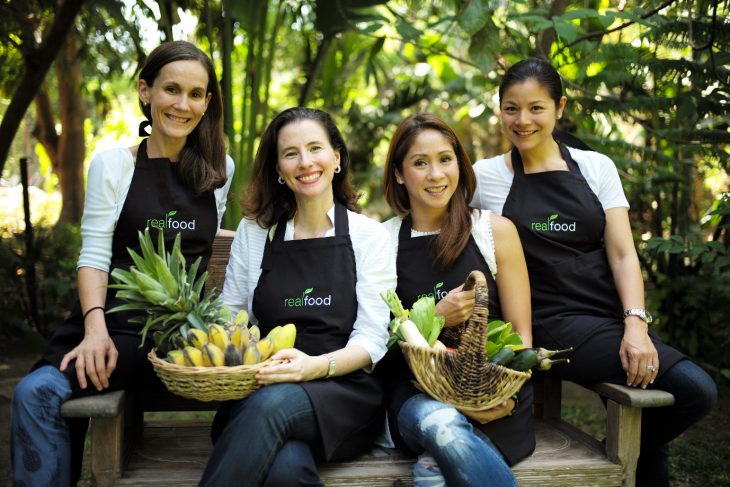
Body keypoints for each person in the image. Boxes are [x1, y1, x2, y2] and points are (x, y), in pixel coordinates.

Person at [471, 58, 717, 486]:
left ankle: (626, 450)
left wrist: (636, 323)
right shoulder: (485, 176)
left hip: (608, 313)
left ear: (559, 107)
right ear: (500, 110)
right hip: (548, 321)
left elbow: (622, 254)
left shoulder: (595, 166)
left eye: (536, 108)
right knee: (698, 390)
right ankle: (622, 448)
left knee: (659, 405)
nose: (522, 120)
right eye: (511, 108)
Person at [11, 40, 235, 486]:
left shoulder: (218, 169)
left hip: (173, 336)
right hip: (107, 323)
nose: (182, 104)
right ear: (145, 92)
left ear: (207, 103)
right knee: (34, 393)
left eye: (195, 94)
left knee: (38, 392)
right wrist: (95, 331)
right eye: (171, 89)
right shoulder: (113, 165)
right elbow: (93, 253)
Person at [199, 107, 396, 486]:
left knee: (271, 407)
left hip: (344, 390)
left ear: (336, 158)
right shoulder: (256, 233)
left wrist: (314, 366)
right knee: (286, 467)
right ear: (278, 167)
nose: (305, 162)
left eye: (315, 148)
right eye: (291, 153)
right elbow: (231, 314)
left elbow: (372, 340)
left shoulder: (369, 236)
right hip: (265, 381)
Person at [377, 113, 535, 487]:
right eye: (420, 163)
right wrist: (437, 319)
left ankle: (433, 469)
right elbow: (377, 342)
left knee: (434, 476)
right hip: (419, 398)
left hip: (497, 396)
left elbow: (522, 334)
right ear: (399, 174)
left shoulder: (493, 232)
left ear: (459, 166)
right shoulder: (381, 242)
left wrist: (497, 398)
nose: (436, 174)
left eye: (445, 159)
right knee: (444, 427)